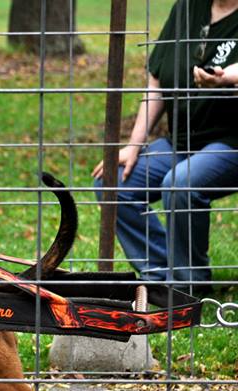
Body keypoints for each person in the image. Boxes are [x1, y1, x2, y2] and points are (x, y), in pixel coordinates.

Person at [92, 0, 238, 294]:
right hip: (181, 141)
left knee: (180, 183)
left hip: (230, 142)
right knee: (114, 182)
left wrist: (226, 77)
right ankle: (159, 274)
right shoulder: (187, 7)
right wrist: (134, 144)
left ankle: (187, 284)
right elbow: (158, 78)